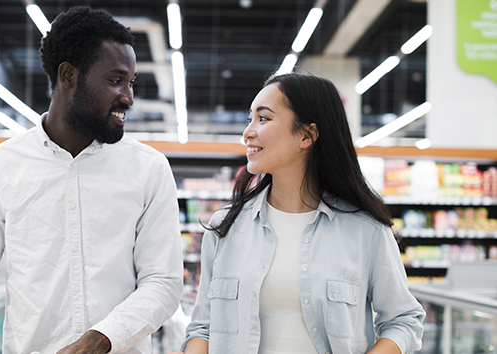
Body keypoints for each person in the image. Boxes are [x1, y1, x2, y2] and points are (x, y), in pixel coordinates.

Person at [0, 6, 183, 354]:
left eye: (131, 83)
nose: (128, 97)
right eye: (115, 80)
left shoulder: (148, 169)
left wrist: (99, 340)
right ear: (68, 75)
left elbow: (163, 282)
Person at [171, 73, 425, 354]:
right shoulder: (225, 227)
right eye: (250, 119)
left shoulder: (366, 230)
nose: (248, 132)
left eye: (263, 118)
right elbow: (203, 327)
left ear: (306, 135)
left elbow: (404, 321)